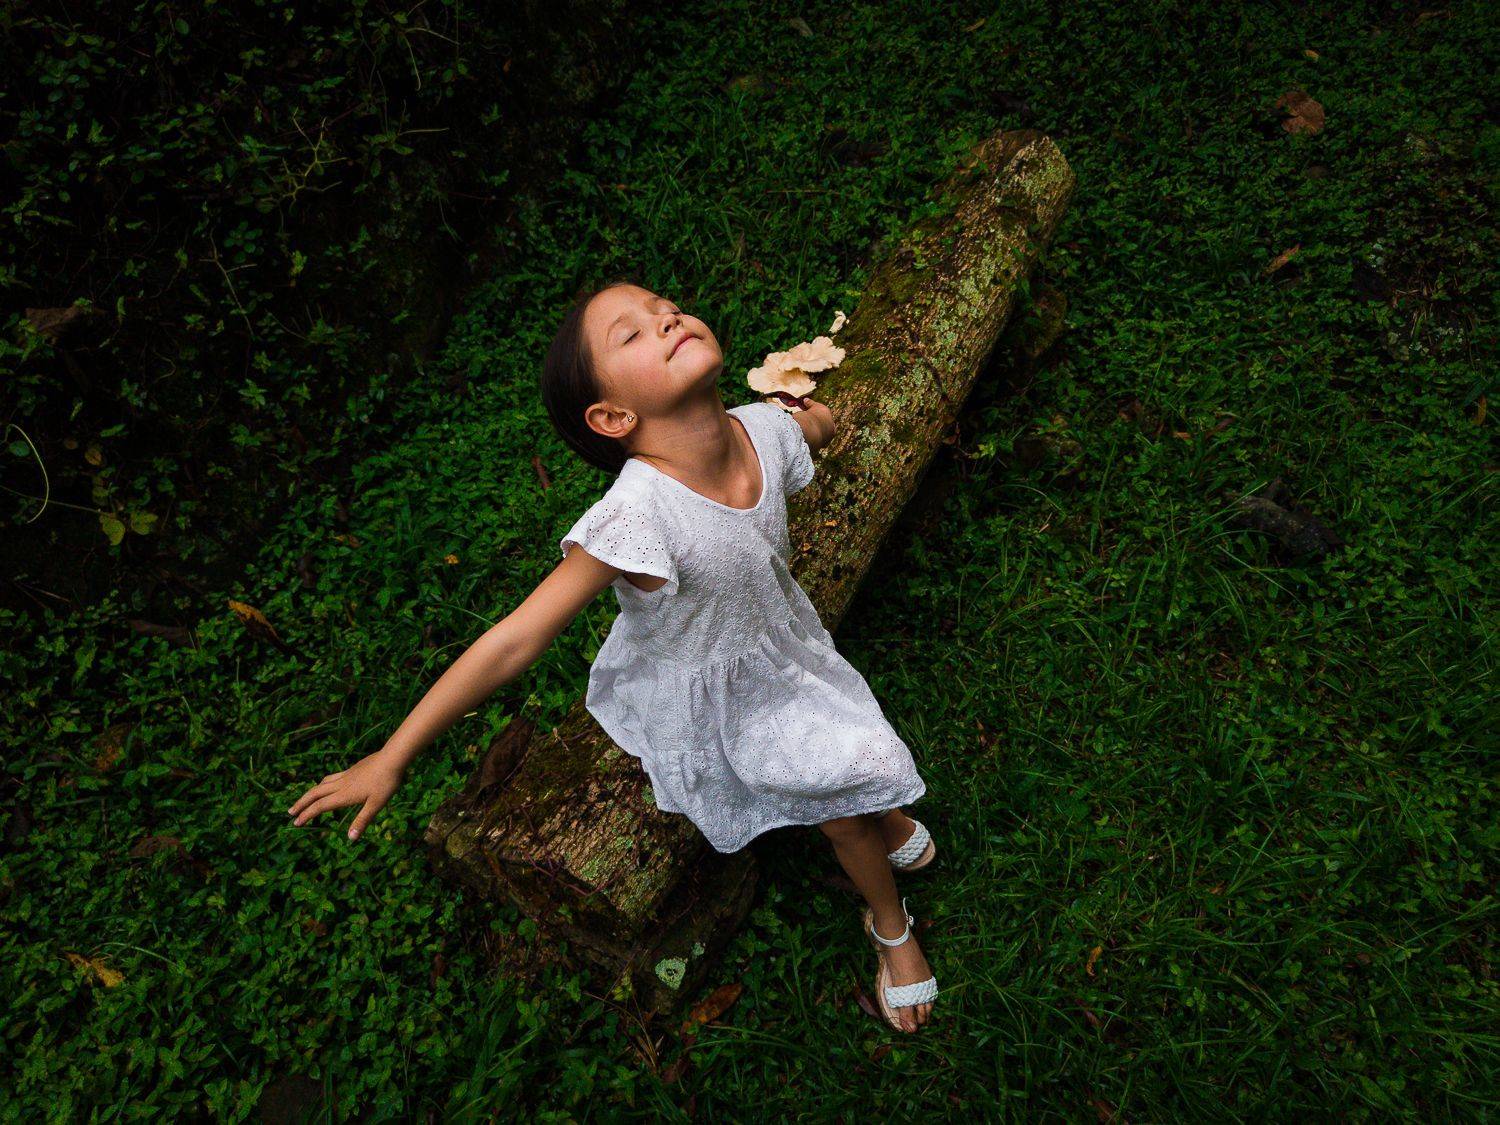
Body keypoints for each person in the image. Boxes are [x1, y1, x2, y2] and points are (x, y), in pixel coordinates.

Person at [286, 279, 939, 1033]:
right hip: (716, 690)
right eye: (631, 334)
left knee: (838, 759)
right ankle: (890, 923)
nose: (667, 319)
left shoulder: (762, 429)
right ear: (612, 417)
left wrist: (814, 414)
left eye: (666, 308)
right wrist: (393, 754)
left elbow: (811, 428)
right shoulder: (636, 516)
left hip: (778, 644)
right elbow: (514, 639)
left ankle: (877, 811)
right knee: (843, 810)